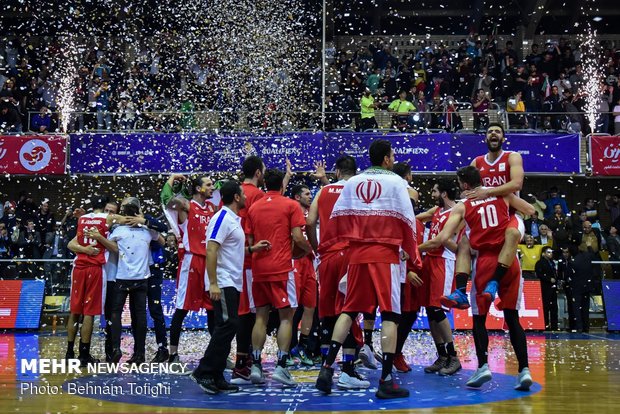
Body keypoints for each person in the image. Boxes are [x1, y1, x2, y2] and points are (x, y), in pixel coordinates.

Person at [315, 139, 422, 399]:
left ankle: (327, 369)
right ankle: (386, 380)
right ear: (386, 159)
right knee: (390, 315)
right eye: (393, 155)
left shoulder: (353, 183)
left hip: (355, 253)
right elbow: (408, 221)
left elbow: (336, 220)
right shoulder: (397, 183)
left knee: (349, 309)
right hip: (384, 254)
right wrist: (414, 259)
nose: (394, 159)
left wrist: (347, 245)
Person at [420, 166, 535, 391]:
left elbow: (443, 238)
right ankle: (524, 370)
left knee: (479, 320)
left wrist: (415, 249)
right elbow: (530, 210)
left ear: (463, 185)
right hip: (510, 261)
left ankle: (483, 366)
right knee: (512, 319)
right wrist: (511, 215)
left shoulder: (463, 206)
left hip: (484, 263)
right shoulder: (501, 193)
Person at [190, 181, 271, 394]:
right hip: (223, 282)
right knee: (228, 325)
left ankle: (216, 376)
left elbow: (229, 249)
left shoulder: (232, 220)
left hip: (232, 282)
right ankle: (204, 372)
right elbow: (211, 249)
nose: (245, 196)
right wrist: (214, 283)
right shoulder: (222, 218)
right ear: (236, 197)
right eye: (242, 194)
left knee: (227, 326)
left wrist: (252, 248)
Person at [444, 123, 525, 310]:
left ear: (503, 138)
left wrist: (488, 192)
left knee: (512, 233)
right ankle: (461, 291)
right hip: (485, 216)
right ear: (486, 138)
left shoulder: (512, 157)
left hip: (510, 214)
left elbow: (517, 184)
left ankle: (496, 280)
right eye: (490, 132)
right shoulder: (477, 162)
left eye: (497, 131)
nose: (493, 134)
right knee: (464, 242)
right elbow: (469, 190)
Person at [306, 156, 370, 389]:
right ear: (355, 171)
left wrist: (317, 248)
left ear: (337, 172)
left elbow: (310, 223)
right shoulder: (360, 189)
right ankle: (348, 370)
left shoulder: (323, 191)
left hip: (327, 257)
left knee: (327, 314)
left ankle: (327, 366)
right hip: (351, 255)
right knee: (350, 311)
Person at [245, 168, 311, 387]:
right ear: (282, 187)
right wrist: (310, 250)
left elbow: (250, 241)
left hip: (258, 269)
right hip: (282, 270)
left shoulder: (254, 207)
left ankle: (255, 365)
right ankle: (281, 366)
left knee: (261, 318)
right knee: (286, 317)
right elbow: (297, 237)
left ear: (265, 185)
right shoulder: (291, 205)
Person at [162, 175, 217, 366]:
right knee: (182, 309)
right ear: (197, 188)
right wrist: (171, 179)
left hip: (209, 261)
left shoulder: (211, 208)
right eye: (208, 185)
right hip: (191, 261)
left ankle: (216, 354)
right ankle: (173, 355)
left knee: (213, 309)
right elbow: (165, 199)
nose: (212, 187)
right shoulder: (186, 205)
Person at [65, 195, 125, 366]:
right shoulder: (107, 218)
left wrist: (83, 248)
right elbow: (125, 219)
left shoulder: (83, 219)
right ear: (104, 206)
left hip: (78, 268)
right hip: (94, 268)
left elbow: (72, 242)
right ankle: (84, 355)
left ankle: (69, 352)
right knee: (89, 313)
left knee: (75, 311)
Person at [414, 178, 462, 376]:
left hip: (444, 261)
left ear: (444, 193)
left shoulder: (458, 211)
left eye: (435, 191)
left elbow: (440, 242)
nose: (432, 195)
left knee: (438, 308)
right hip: (430, 261)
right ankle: (442, 355)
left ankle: (454, 356)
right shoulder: (436, 211)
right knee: (431, 311)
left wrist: (413, 249)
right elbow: (415, 218)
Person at [108, 197, 164, 364]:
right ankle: (140, 353)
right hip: (141, 279)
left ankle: (116, 348)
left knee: (115, 313)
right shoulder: (148, 231)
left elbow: (106, 241)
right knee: (139, 316)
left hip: (123, 278)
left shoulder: (118, 231)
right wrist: (144, 223)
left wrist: (118, 222)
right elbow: (161, 239)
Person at [289, 184, 318, 367]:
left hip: (309, 263)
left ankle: (303, 347)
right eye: (307, 193)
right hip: (293, 262)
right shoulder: (291, 210)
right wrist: (313, 249)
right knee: (291, 309)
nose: (310, 196)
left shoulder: (312, 212)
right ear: (297, 197)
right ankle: (289, 348)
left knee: (310, 307)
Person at [535, 246, 559, 330]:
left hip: (553, 287)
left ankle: (554, 325)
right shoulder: (540, 263)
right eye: (548, 252)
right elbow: (539, 274)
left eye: (551, 252)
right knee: (545, 306)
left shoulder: (553, 262)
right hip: (545, 287)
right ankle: (545, 324)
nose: (551, 254)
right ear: (543, 253)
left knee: (554, 307)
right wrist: (549, 279)